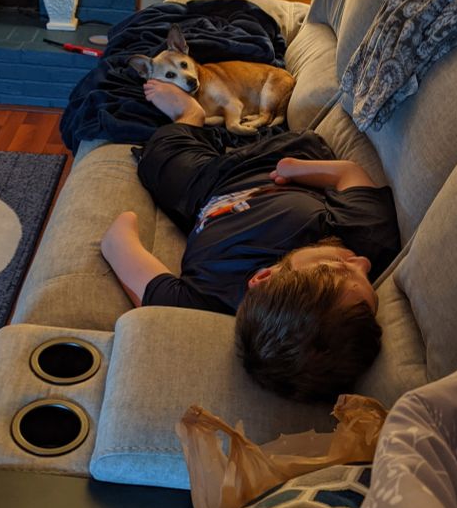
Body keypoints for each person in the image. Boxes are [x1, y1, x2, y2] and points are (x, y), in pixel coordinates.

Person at [101, 79, 400, 402]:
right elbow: (348, 174)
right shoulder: (368, 239)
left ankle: (190, 115)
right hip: (276, 164)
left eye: (338, 267)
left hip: (207, 193)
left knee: (156, 157)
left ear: (264, 277)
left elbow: (117, 239)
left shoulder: (203, 300)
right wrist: (295, 169)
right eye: (367, 282)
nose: (361, 263)